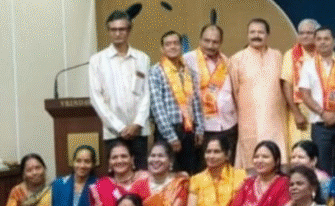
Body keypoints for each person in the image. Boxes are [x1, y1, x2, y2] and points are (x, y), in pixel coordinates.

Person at [88, 10, 150, 168]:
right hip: (113, 132)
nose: (117, 34)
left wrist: (137, 123)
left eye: (122, 29)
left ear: (129, 30)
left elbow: (146, 94)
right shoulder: (97, 60)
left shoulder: (142, 58)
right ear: (108, 31)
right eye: (113, 30)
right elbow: (96, 98)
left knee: (141, 174)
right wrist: (120, 127)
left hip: (139, 130)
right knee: (117, 175)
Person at [298, 26, 335, 176]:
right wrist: (323, 113)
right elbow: (304, 94)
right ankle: (324, 191)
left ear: (334, 42)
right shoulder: (308, 65)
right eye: (319, 39)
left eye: (326, 39)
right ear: (315, 42)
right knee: (321, 164)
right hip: (320, 123)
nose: (323, 42)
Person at [231, 18, 288, 168]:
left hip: (275, 121)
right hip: (249, 120)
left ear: (268, 35)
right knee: (251, 161)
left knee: (277, 159)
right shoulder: (237, 59)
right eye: (252, 32)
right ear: (247, 34)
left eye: (260, 32)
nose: (256, 35)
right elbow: (233, 92)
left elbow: (284, 86)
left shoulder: (277, 56)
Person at [150, 31, 205, 174]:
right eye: (168, 44)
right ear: (162, 49)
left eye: (176, 43)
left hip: (189, 130)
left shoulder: (189, 71)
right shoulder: (156, 71)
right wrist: (171, 136)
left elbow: (196, 102)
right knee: (168, 173)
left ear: (181, 46)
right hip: (168, 130)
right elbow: (157, 107)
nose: (172, 47)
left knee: (190, 173)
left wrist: (199, 129)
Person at [184, 24, 237, 165]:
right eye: (206, 41)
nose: (210, 45)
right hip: (202, 127)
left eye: (215, 42)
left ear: (221, 42)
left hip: (228, 125)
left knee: (227, 168)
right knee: (204, 169)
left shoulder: (227, 61)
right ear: (200, 40)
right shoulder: (187, 60)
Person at [282, 18, 319, 148]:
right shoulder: (290, 55)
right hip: (300, 110)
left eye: (309, 33)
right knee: (300, 149)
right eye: (301, 33)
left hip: (321, 110)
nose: (305, 36)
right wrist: (297, 113)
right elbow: (287, 85)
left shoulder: (324, 54)